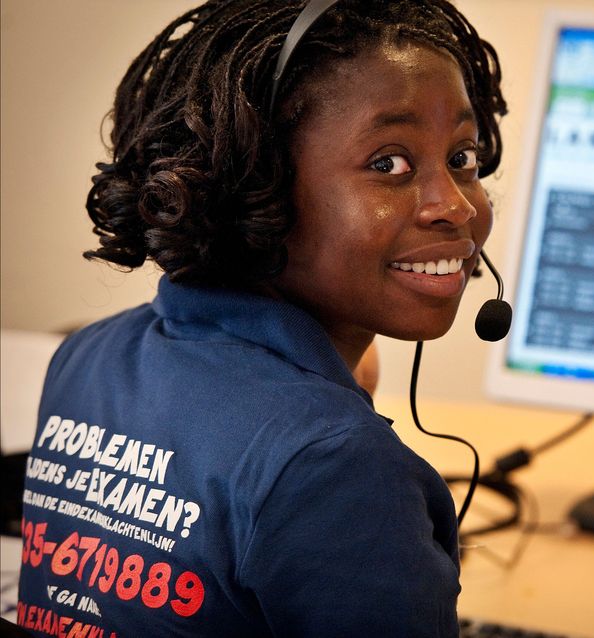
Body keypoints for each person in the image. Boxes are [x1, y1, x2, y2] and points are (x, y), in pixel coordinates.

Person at [16, 1, 506, 636]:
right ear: (255, 185)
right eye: (389, 164)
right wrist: (328, 434)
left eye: (463, 157)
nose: (456, 207)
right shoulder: (341, 470)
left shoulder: (88, 356)